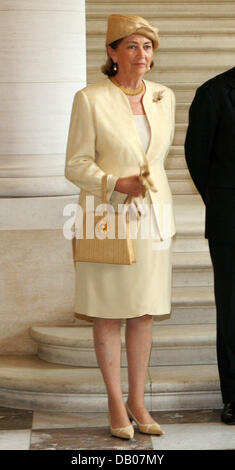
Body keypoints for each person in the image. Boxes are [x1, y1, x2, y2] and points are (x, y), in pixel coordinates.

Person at [65, 14, 176, 439]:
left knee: (145, 311)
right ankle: (115, 400)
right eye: (132, 46)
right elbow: (75, 164)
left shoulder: (165, 96)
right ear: (112, 52)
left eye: (147, 47)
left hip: (153, 216)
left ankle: (138, 400)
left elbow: (159, 159)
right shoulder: (89, 98)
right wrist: (114, 183)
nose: (141, 55)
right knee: (109, 313)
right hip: (105, 215)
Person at [184, 67, 235, 425]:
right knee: (233, 312)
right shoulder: (214, 92)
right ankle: (234, 397)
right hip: (231, 220)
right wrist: (221, 201)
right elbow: (197, 158)